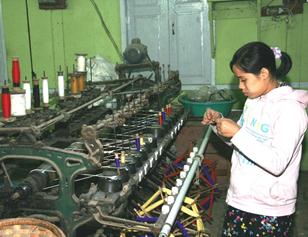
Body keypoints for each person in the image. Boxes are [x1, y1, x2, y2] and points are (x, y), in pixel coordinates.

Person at [201, 41, 308, 236]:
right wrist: (218, 123)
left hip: (270, 210)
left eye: (243, 79)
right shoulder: (253, 102)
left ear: (264, 74)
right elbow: (240, 144)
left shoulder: (291, 111)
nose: (240, 86)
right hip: (240, 200)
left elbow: (277, 163)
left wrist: (237, 133)